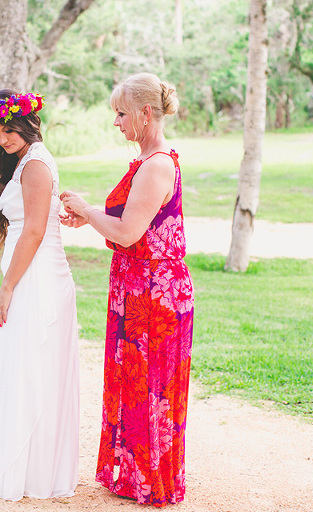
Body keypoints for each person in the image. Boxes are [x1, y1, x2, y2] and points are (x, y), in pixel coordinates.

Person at [60, 73, 194, 507]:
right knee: (136, 381)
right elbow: (128, 222)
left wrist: (84, 207)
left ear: (145, 113)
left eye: (121, 113)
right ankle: (137, 473)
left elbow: (130, 230)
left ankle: (151, 479)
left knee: (149, 384)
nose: (116, 122)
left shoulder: (156, 164)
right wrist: (91, 217)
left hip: (154, 293)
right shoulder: (145, 160)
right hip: (137, 286)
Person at [0, 90, 79, 501]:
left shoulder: (34, 164)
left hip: (36, 280)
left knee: (33, 369)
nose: (1, 140)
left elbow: (32, 231)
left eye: (6, 130)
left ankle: (36, 474)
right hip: (34, 275)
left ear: (24, 123)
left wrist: (7, 286)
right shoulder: (28, 162)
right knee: (31, 371)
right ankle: (36, 471)